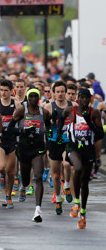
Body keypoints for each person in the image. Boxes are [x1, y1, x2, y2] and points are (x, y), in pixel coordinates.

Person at [60, 88, 104, 228]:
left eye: (87, 98)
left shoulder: (94, 113)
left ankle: (83, 213)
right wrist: (59, 137)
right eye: (82, 97)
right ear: (78, 98)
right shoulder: (69, 111)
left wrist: (89, 123)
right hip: (73, 147)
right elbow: (60, 123)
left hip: (88, 149)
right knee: (77, 168)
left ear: (90, 99)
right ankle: (76, 203)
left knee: (85, 182)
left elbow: (100, 134)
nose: (84, 100)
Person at [7, 88, 51, 223]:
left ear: (38, 98)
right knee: (26, 180)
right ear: (27, 97)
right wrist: (23, 130)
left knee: (38, 176)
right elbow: (10, 128)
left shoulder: (44, 112)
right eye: (30, 96)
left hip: (38, 147)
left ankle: (38, 209)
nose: (33, 99)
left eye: (35, 96)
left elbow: (49, 129)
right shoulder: (21, 110)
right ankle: (23, 186)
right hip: (24, 148)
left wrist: (46, 135)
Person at [0, 79, 21, 209]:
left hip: (12, 140)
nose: (3, 93)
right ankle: (0, 174)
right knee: (1, 167)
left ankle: (8, 196)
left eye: (6, 90)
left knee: (11, 172)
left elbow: (22, 119)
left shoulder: (16, 104)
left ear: (11, 91)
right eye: (1, 90)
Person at [43, 80, 73, 214]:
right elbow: (43, 126)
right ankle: (58, 198)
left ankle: (67, 185)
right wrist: (49, 123)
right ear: (53, 93)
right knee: (55, 175)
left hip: (68, 141)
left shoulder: (73, 106)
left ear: (65, 93)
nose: (60, 94)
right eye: (58, 92)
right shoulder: (48, 107)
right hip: (54, 141)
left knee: (66, 164)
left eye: (62, 91)